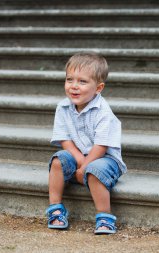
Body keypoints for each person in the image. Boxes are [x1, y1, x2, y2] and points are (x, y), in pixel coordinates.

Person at [46, 52, 127, 235]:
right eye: (69, 80)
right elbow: (64, 139)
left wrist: (85, 168)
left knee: (94, 171)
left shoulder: (103, 111)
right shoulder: (63, 107)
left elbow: (101, 145)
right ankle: (55, 209)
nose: (74, 86)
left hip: (105, 159)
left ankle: (105, 217)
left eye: (82, 82)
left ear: (98, 88)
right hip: (78, 156)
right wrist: (79, 162)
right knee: (58, 161)